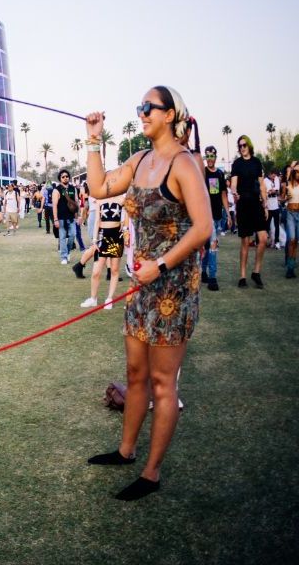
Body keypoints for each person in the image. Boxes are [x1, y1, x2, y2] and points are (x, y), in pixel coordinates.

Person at [83, 87, 211, 500]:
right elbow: (99, 187)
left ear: (170, 114)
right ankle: (126, 451)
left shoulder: (183, 164)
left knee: (162, 382)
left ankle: (151, 473)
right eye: (139, 107)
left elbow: (203, 227)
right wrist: (93, 140)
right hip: (142, 286)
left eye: (148, 108)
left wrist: (161, 265)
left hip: (172, 286)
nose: (141, 113)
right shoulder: (140, 160)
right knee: (135, 375)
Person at [229, 135, 268, 288]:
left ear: (249, 145)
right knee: (245, 241)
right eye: (240, 146)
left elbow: (262, 185)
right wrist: (234, 192)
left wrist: (265, 205)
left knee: (263, 238)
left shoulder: (257, 162)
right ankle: (242, 276)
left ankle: (256, 272)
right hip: (243, 203)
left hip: (257, 203)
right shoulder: (237, 164)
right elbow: (233, 184)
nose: (242, 148)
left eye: (244, 145)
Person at [79, 195, 127, 309]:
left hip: (116, 237)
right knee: (96, 271)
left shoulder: (122, 199)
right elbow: (97, 221)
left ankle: (109, 299)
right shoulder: (100, 200)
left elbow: (129, 211)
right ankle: (93, 298)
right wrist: (95, 240)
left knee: (114, 270)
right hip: (102, 237)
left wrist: (125, 225)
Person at [200, 146, 231, 290]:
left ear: (216, 157)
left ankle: (204, 272)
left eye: (212, 156)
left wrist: (229, 214)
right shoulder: (202, 172)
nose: (210, 159)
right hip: (205, 214)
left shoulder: (219, 174)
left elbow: (223, 195)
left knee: (209, 245)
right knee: (212, 244)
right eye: (207, 156)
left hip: (218, 215)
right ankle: (212, 277)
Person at [51, 169, 79, 265]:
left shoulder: (73, 188)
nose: (65, 178)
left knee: (72, 235)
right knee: (62, 237)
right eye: (63, 177)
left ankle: (67, 252)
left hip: (71, 217)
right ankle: (64, 256)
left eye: (67, 176)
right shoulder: (57, 190)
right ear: (60, 179)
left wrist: (77, 216)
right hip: (61, 218)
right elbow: (54, 205)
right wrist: (55, 219)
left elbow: (76, 203)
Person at [283, 161, 299, 279]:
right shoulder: (287, 184)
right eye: (296, 171)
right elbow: (282, 198)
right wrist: (285, 198)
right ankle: (290, 268)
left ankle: (292, 266)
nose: (298, 173)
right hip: (290, 214)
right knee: (292, 240)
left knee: (296, 242)